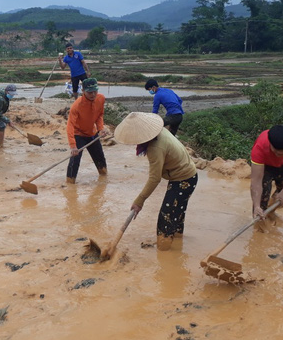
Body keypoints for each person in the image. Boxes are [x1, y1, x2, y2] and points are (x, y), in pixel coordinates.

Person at [114, 112, 198, 251]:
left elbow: (155, 178)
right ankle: (176, 249)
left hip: (183, 179)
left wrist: (139, 201)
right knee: (176, 214)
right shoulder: (161, 131)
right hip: (187, 176)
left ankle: (165, 253)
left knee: (165, 219)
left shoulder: (155, 147)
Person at [65, 78, 107, 183]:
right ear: (83, 91)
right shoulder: (77, 105)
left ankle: (104, 177)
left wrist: (100, 128)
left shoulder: (101, 98)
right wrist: (73, 145)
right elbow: (70, 125)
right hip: (78, 134)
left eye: (95, 91)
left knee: (100, 158)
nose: (93, 94)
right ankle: (70, 183)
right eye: (89, 92)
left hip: (92, 133)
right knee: (75, 161)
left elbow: (99, 115)